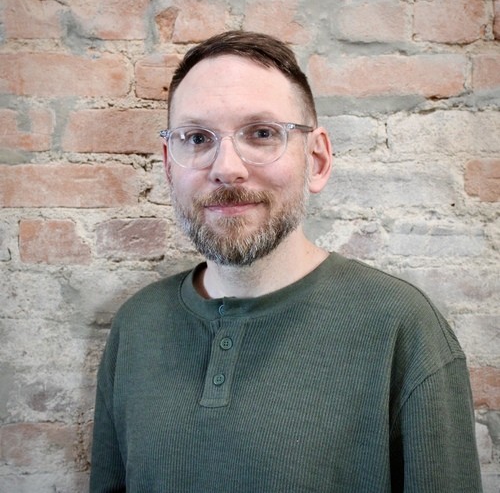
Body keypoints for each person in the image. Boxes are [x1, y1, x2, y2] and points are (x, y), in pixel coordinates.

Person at [90, 31, 482, 492]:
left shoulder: (402, 327)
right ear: (168, 165)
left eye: (261, 134)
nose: (227, 168)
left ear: (316, 160)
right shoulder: (136, 325)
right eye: (197, 138)